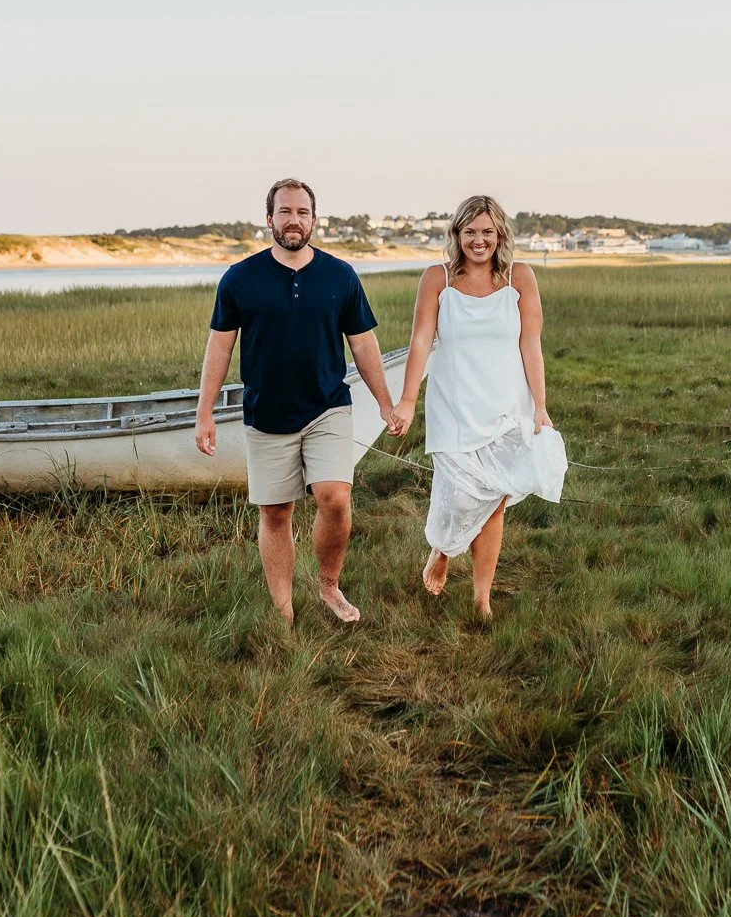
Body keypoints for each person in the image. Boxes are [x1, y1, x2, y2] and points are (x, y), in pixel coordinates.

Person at [196, 179, 395, 626]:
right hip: (266, 414)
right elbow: (220, 347)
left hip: (327, 406)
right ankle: (283, 613)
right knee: (275, 512)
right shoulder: (240, 278)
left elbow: (363, 345)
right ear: (269, 219)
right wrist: (204, 413)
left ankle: (328, 585)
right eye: (285, 212)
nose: (293, 220)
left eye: (302, 212)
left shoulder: (340, 275)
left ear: (313, 219)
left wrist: (385, 403)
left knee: (335, 498)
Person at [386, 195, 565, 620]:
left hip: (506, 406)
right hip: (454, 407)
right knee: (462, 496)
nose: (479, 240)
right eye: (470, 232)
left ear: (500, 234)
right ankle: (444, 549)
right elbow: (420, 341)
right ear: (457, 234)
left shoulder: (520, 277)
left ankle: (482, 598)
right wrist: (408, 401)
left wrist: (539, 406)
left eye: (487, 231)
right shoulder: (437, 280)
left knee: (493, 501)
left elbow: (531, 343)